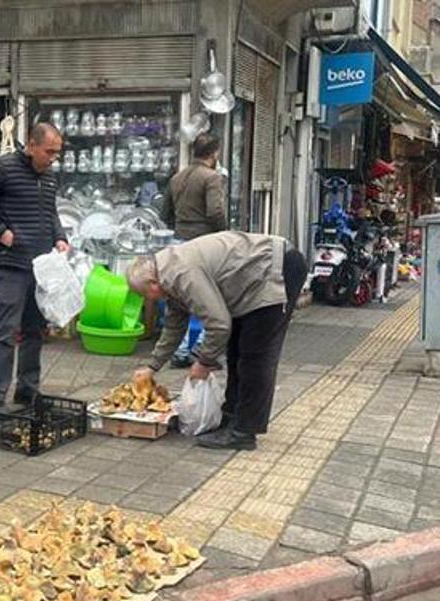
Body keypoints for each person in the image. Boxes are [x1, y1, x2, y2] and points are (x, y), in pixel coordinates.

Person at [128, 231, 307, 450]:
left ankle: (244, 431)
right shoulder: (168, 276)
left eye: (146, 295)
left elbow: (219, 324)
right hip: (251, 282)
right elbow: (174, 326)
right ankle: (231, 418)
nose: (149, 300)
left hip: (275, 271)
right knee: (235, 352)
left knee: (255, 358)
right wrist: (152, 366)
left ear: (153, 283)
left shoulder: (181, 274)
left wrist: (203, 361)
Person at [0, 122, 69, 412]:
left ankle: (27, 391)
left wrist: (60, 237)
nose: (53, 158)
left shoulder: (48, 177)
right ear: (31, 145)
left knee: (35, 330)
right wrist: (0, 232)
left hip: (40, 266)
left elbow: (50, 213)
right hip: (9, 265)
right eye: (49, 152)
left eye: (58, 153)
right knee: (5, 332)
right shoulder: (3, 168)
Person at [159, 133, 227, 369]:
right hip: (203, 246)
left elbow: (164, 214)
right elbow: (215, 212)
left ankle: (179, 351)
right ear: (214, 153)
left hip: (179, 243)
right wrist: (225, 235)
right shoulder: (212, 177)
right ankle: (204, 353)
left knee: (178, 302)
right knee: (208, 301)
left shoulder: (176, 178)